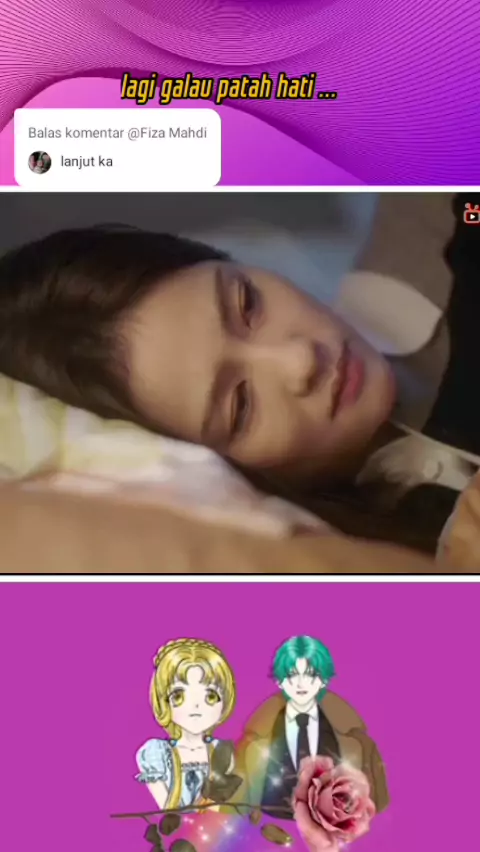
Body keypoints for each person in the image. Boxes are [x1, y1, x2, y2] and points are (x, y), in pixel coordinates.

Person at [0, 198, 478, 555]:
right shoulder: (363, 569)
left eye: (248, 303)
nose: (300, 360)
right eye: (241, 406)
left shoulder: (441, 206)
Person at [233, 635, 389, 818]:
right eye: (292, 674)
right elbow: (236, 807)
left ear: (323, 679)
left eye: (310, 674)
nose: (301, 683)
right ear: (279, 680)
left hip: (334, 830)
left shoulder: (355, 739)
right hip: (271, 827)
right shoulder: (255, 739)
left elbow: (377, 805)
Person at [135, 638, 237, 810]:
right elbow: (167, 811)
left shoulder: (223, 752)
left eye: (210, 696)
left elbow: (217, 810)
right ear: (163, 701)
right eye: (178, 696)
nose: (195, 706)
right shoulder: (156, 754)